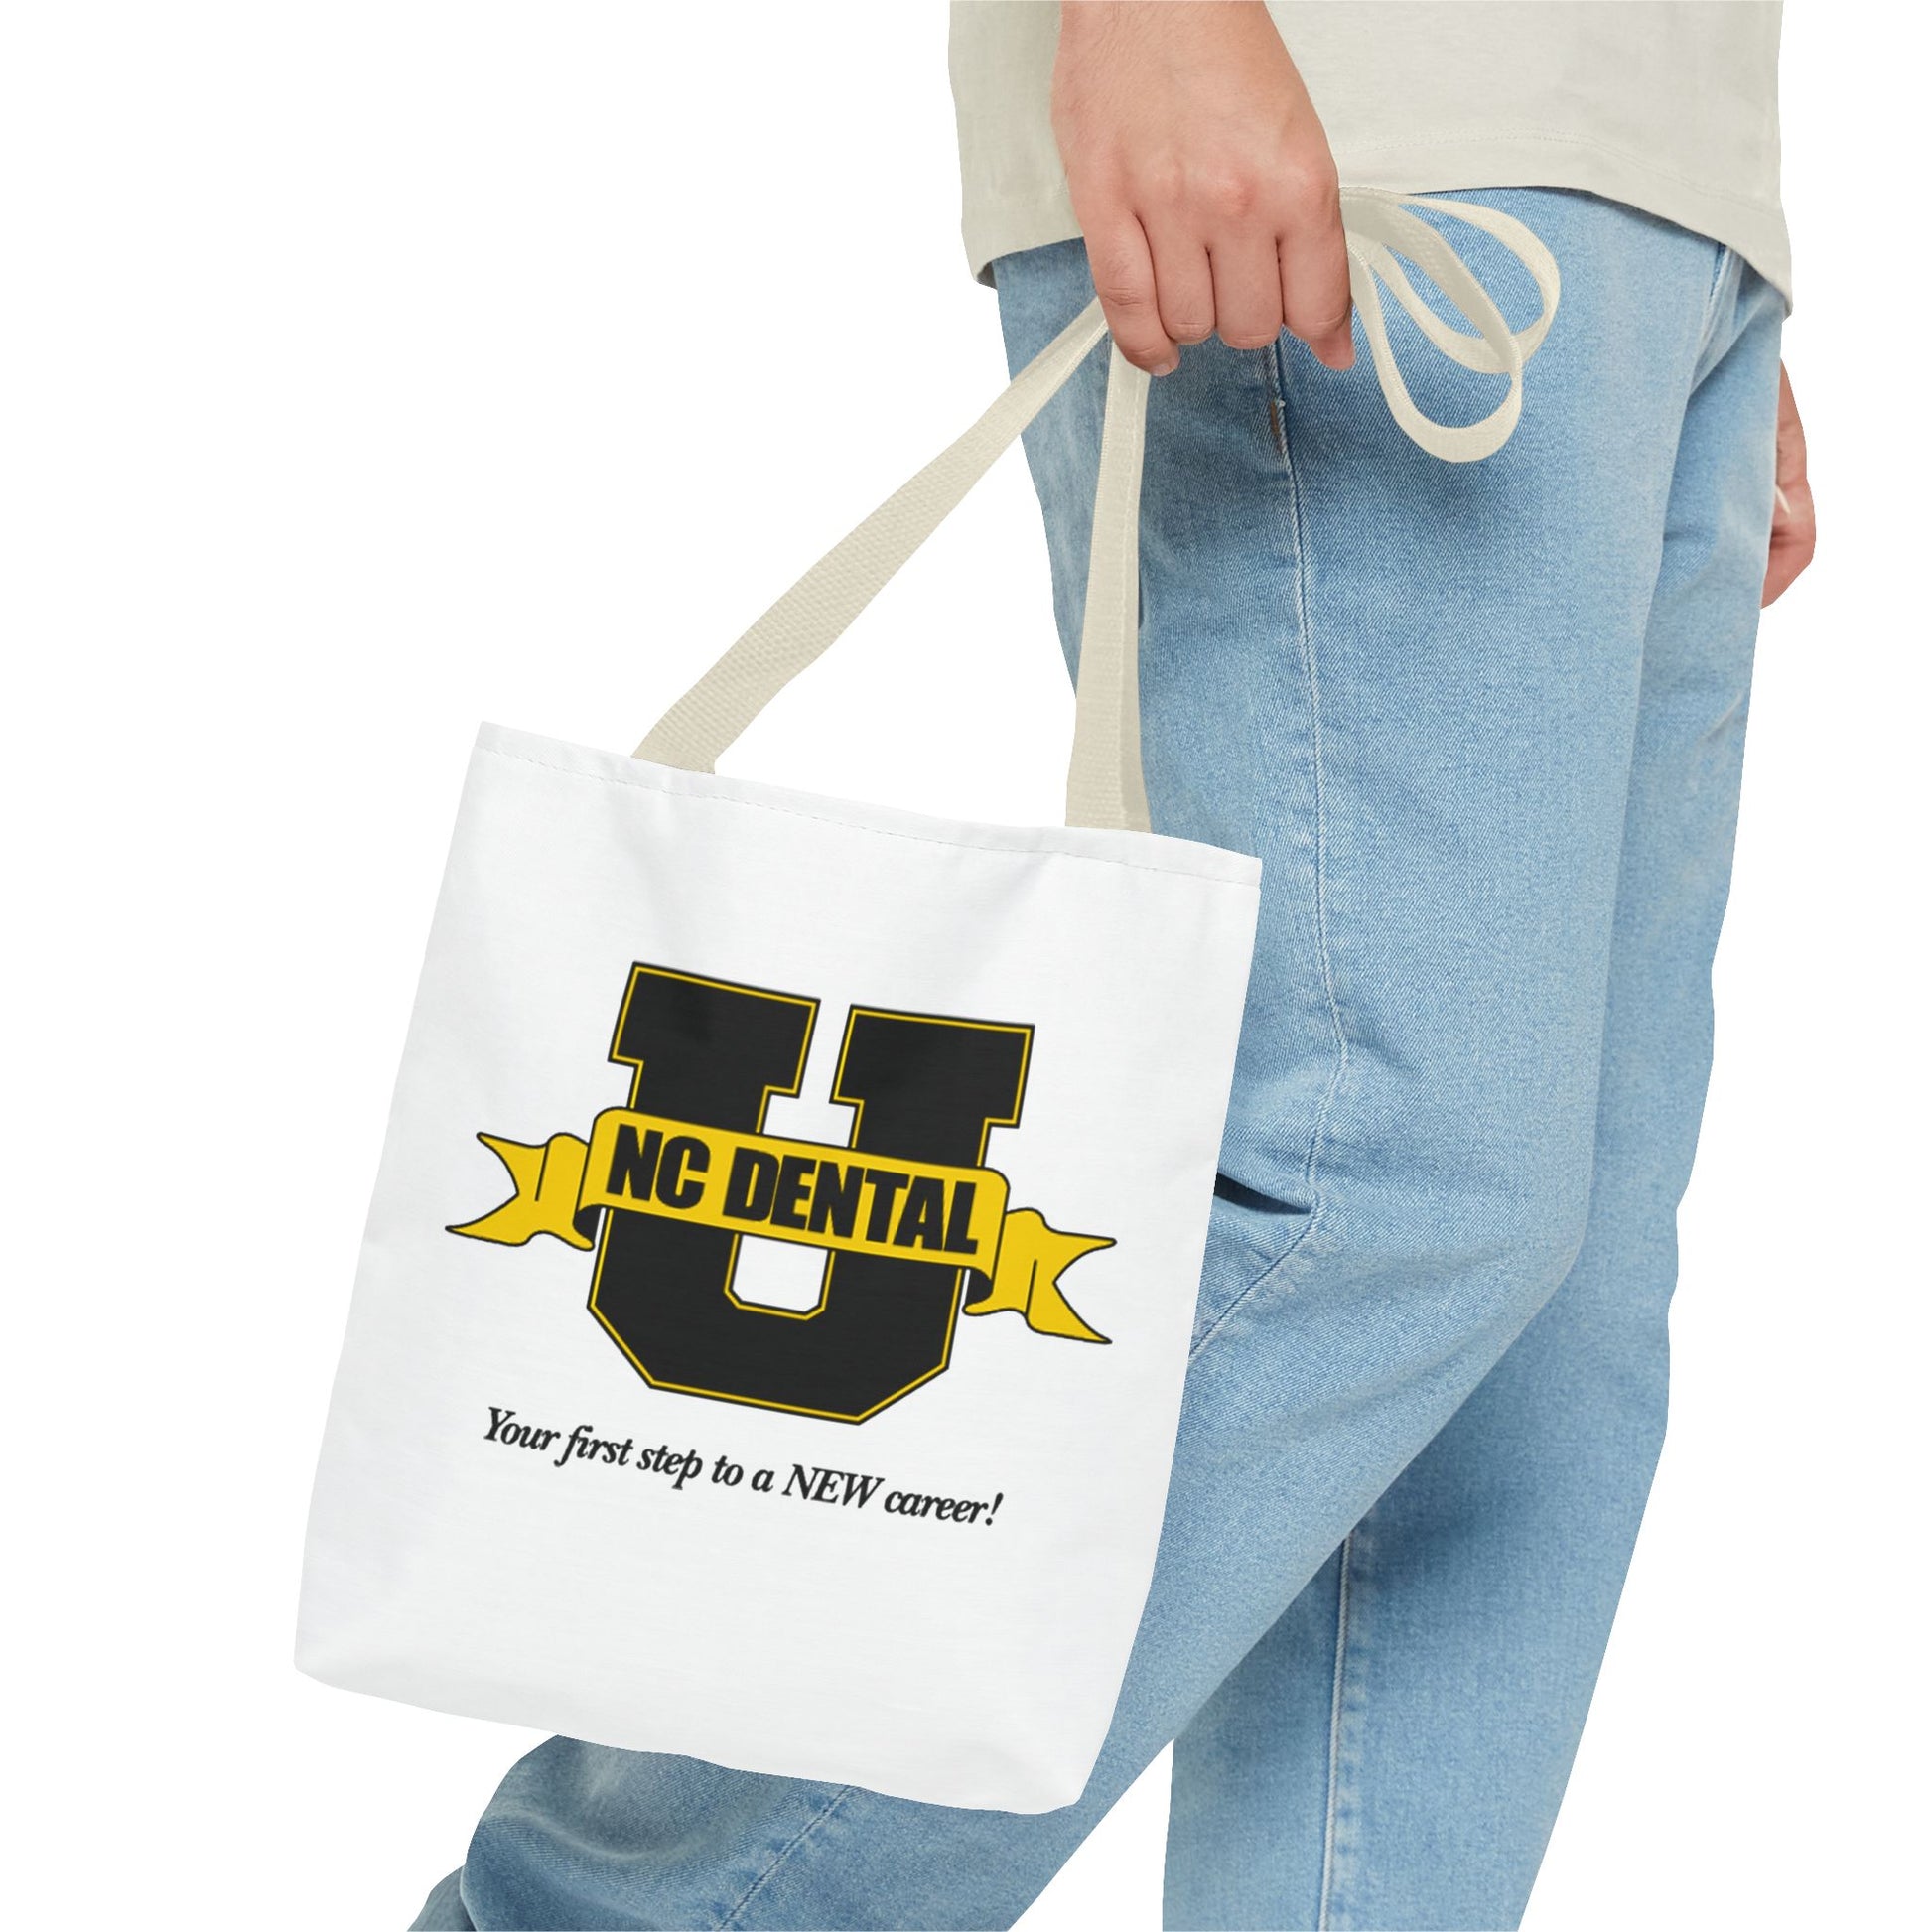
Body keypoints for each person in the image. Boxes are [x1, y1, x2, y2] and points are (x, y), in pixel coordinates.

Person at [412, 4, 1814, 1926]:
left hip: (1640, 189)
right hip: (1368, 121)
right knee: (1376, 1196)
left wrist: (1697, 231)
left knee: (1533, 1347)